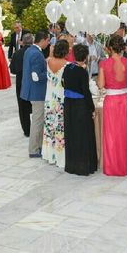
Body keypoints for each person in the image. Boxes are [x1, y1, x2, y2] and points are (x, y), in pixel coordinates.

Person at [97, 35, 127, 176]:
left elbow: (101, 85)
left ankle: (114, 166)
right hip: (125, 100)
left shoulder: (104, 64)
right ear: (123, 48)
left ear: (109, 48)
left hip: (111, 102)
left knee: (112, 135)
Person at [63, 44, 98, 176]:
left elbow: (64, 84)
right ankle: (83, 166)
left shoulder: (68, 68)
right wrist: (92, 108)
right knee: (83, 135)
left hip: (68, 104)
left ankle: (72, 165)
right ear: (85, 57)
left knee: (71, 133)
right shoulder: (82, 72)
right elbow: (86, 92)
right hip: (80, 106)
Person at [21, 30, 51, 157]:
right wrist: (49, 72)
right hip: (37, 92)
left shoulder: (29, 50)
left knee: (37, 120)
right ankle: (34, 150)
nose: (48, 43)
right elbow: (36, 76)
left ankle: (37, 147)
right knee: (38, 122)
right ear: (43, 40)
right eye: (48, 40)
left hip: (32, 91)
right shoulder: (36, 54)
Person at [43, 39, 69, 167]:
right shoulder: (67, 65)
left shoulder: (47, 61)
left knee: (49, 126)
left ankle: (49, 154)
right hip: (60, 99)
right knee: (60, 127)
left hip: (49, 98)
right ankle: (60, 154)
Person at [9, 33, 33, 136]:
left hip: (21, 83)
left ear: (22, 42)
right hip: (33, 83)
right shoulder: (35, 53)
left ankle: (27, 131)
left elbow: (13, 70)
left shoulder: (17, 53)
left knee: (23, 109)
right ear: (32, 42)